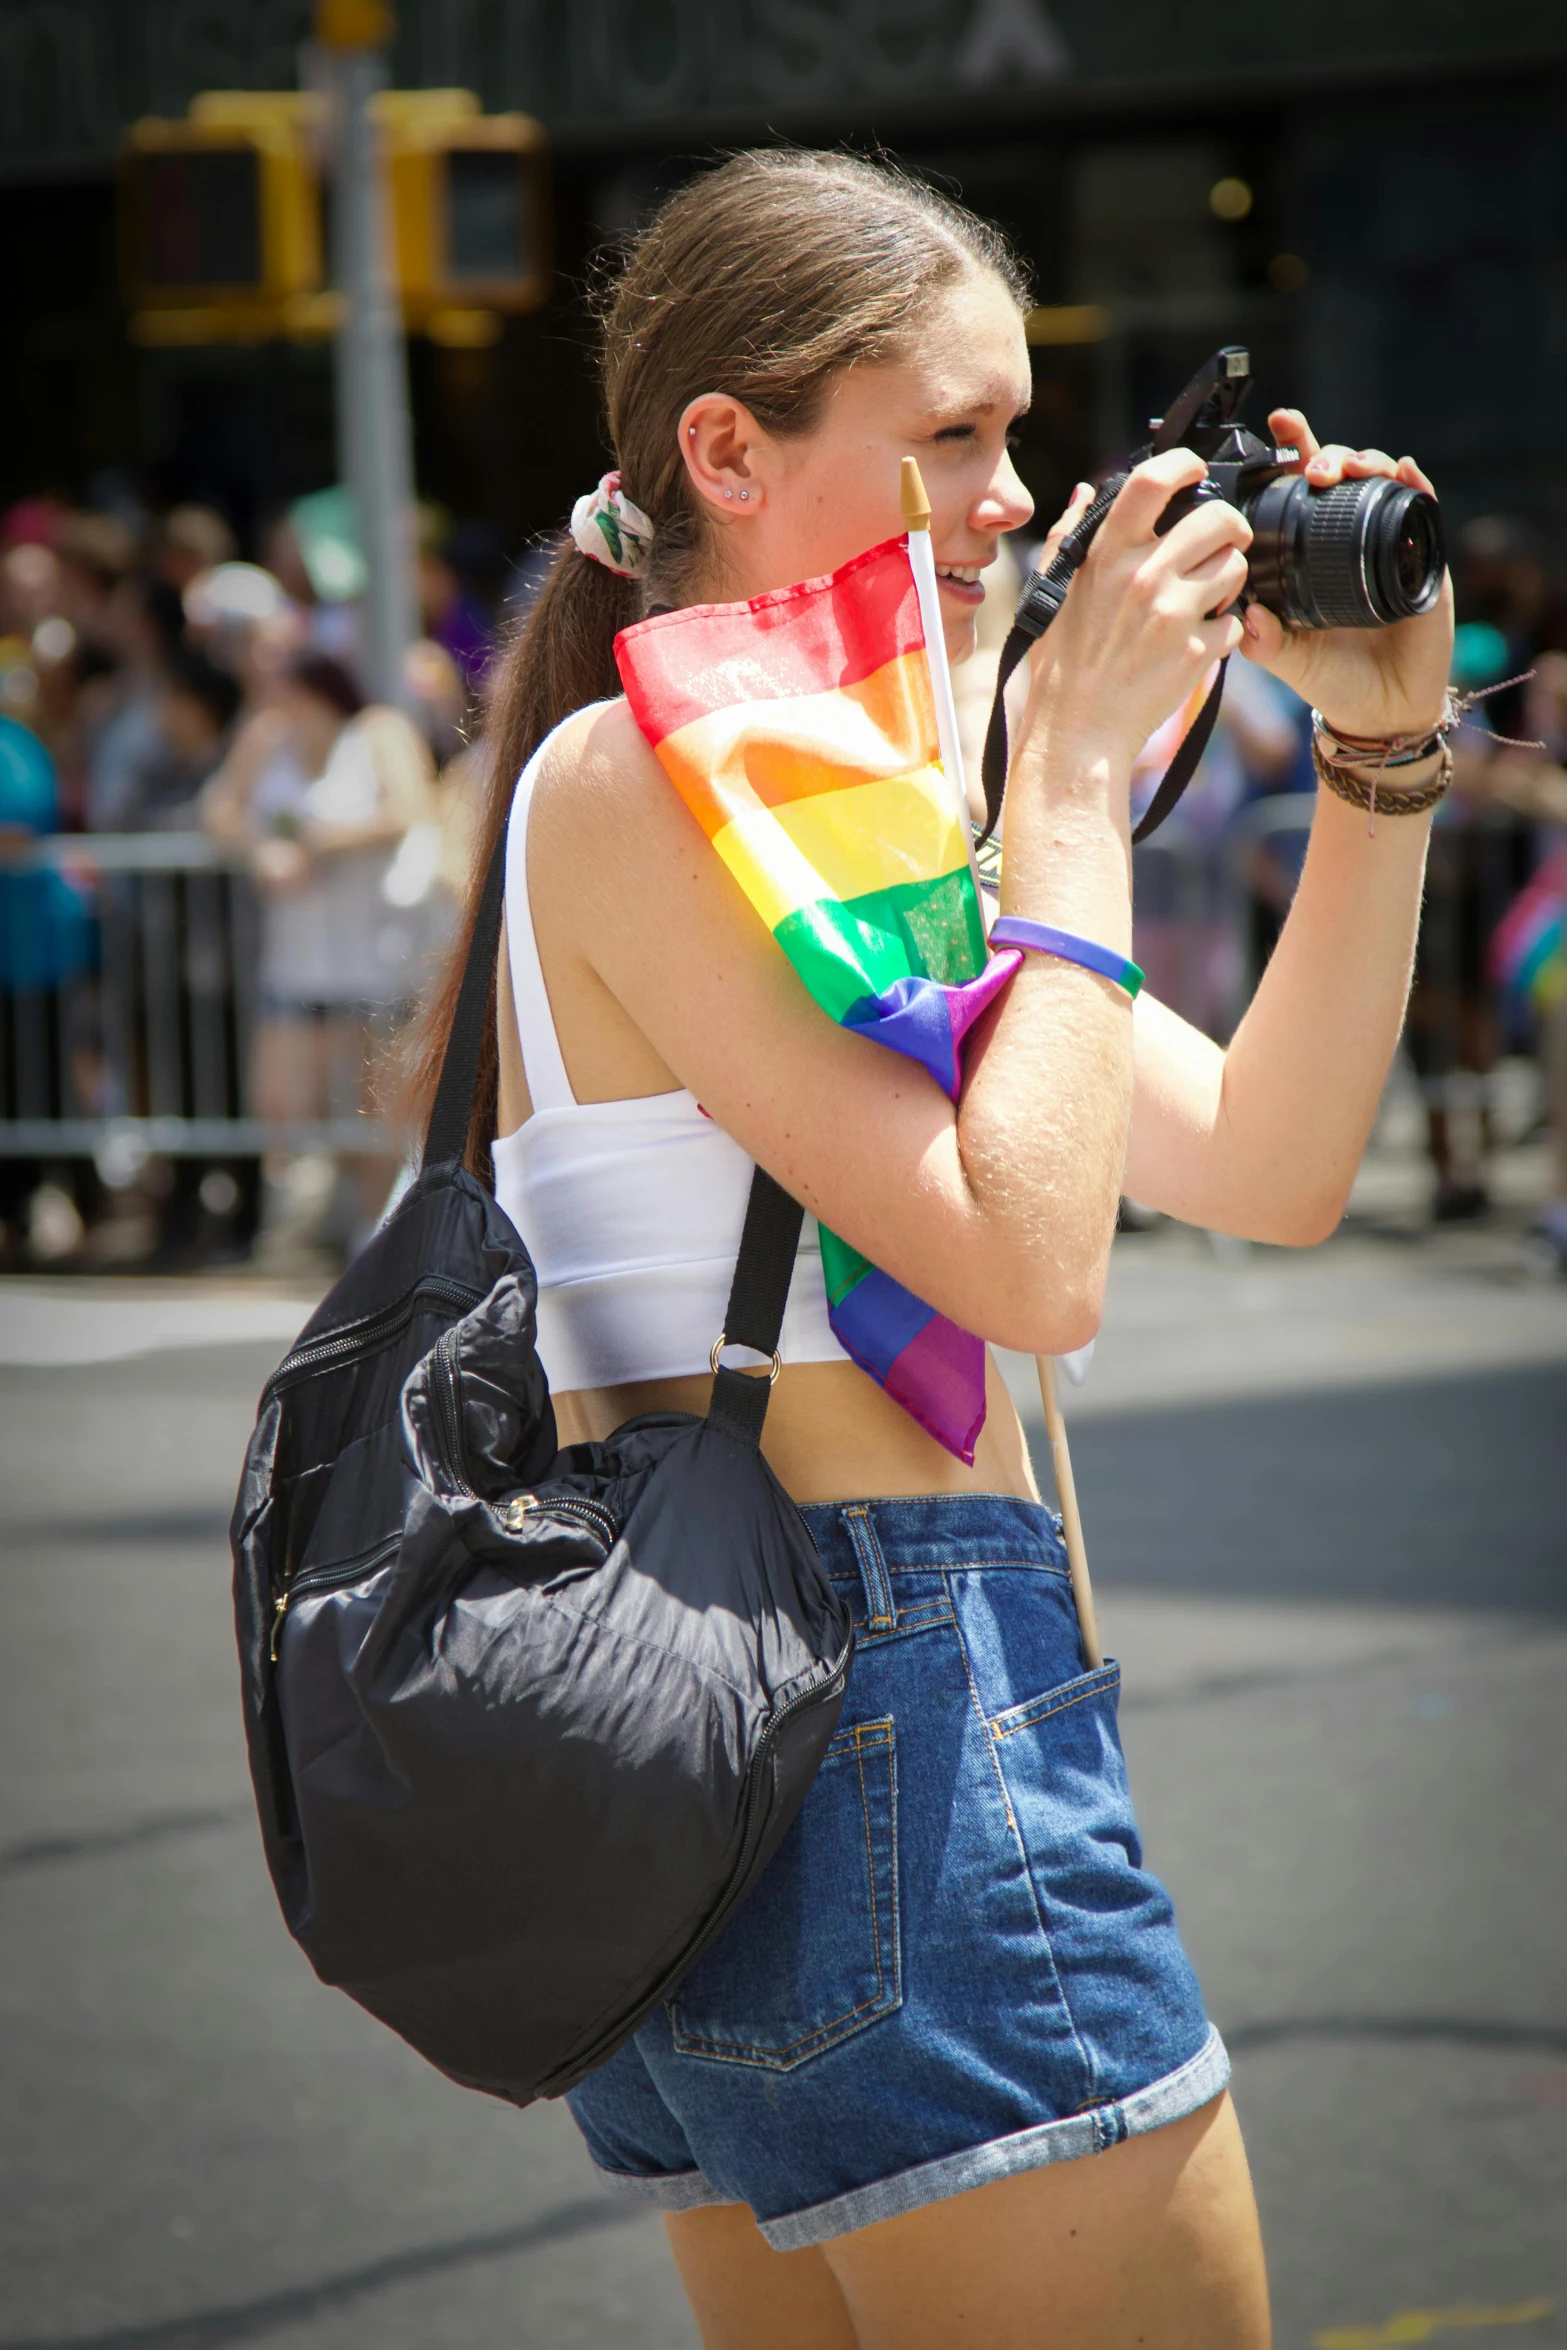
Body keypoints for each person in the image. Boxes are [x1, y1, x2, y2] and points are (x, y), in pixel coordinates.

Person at [406, 151, 1454, 2349]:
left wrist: (1378, 751)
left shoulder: (841, 818)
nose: (1014, 499)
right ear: (727, 448)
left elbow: (1266, 1161)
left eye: (1019, 430)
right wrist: (1062, 788)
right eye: (953, 433)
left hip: (710, 1752)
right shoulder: (632, 781)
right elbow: (1029, 1261)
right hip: (874, 1708)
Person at [204, 649, 439, 1251]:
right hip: (297, 957)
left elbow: (413, 806)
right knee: (286, 1098)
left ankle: (373, 1230)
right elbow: (220, 811)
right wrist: (263, 849)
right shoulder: (265, 735)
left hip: (374, 952)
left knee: (368, 1100)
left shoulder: (378, 730)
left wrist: (324, 841)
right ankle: (307, 1222)